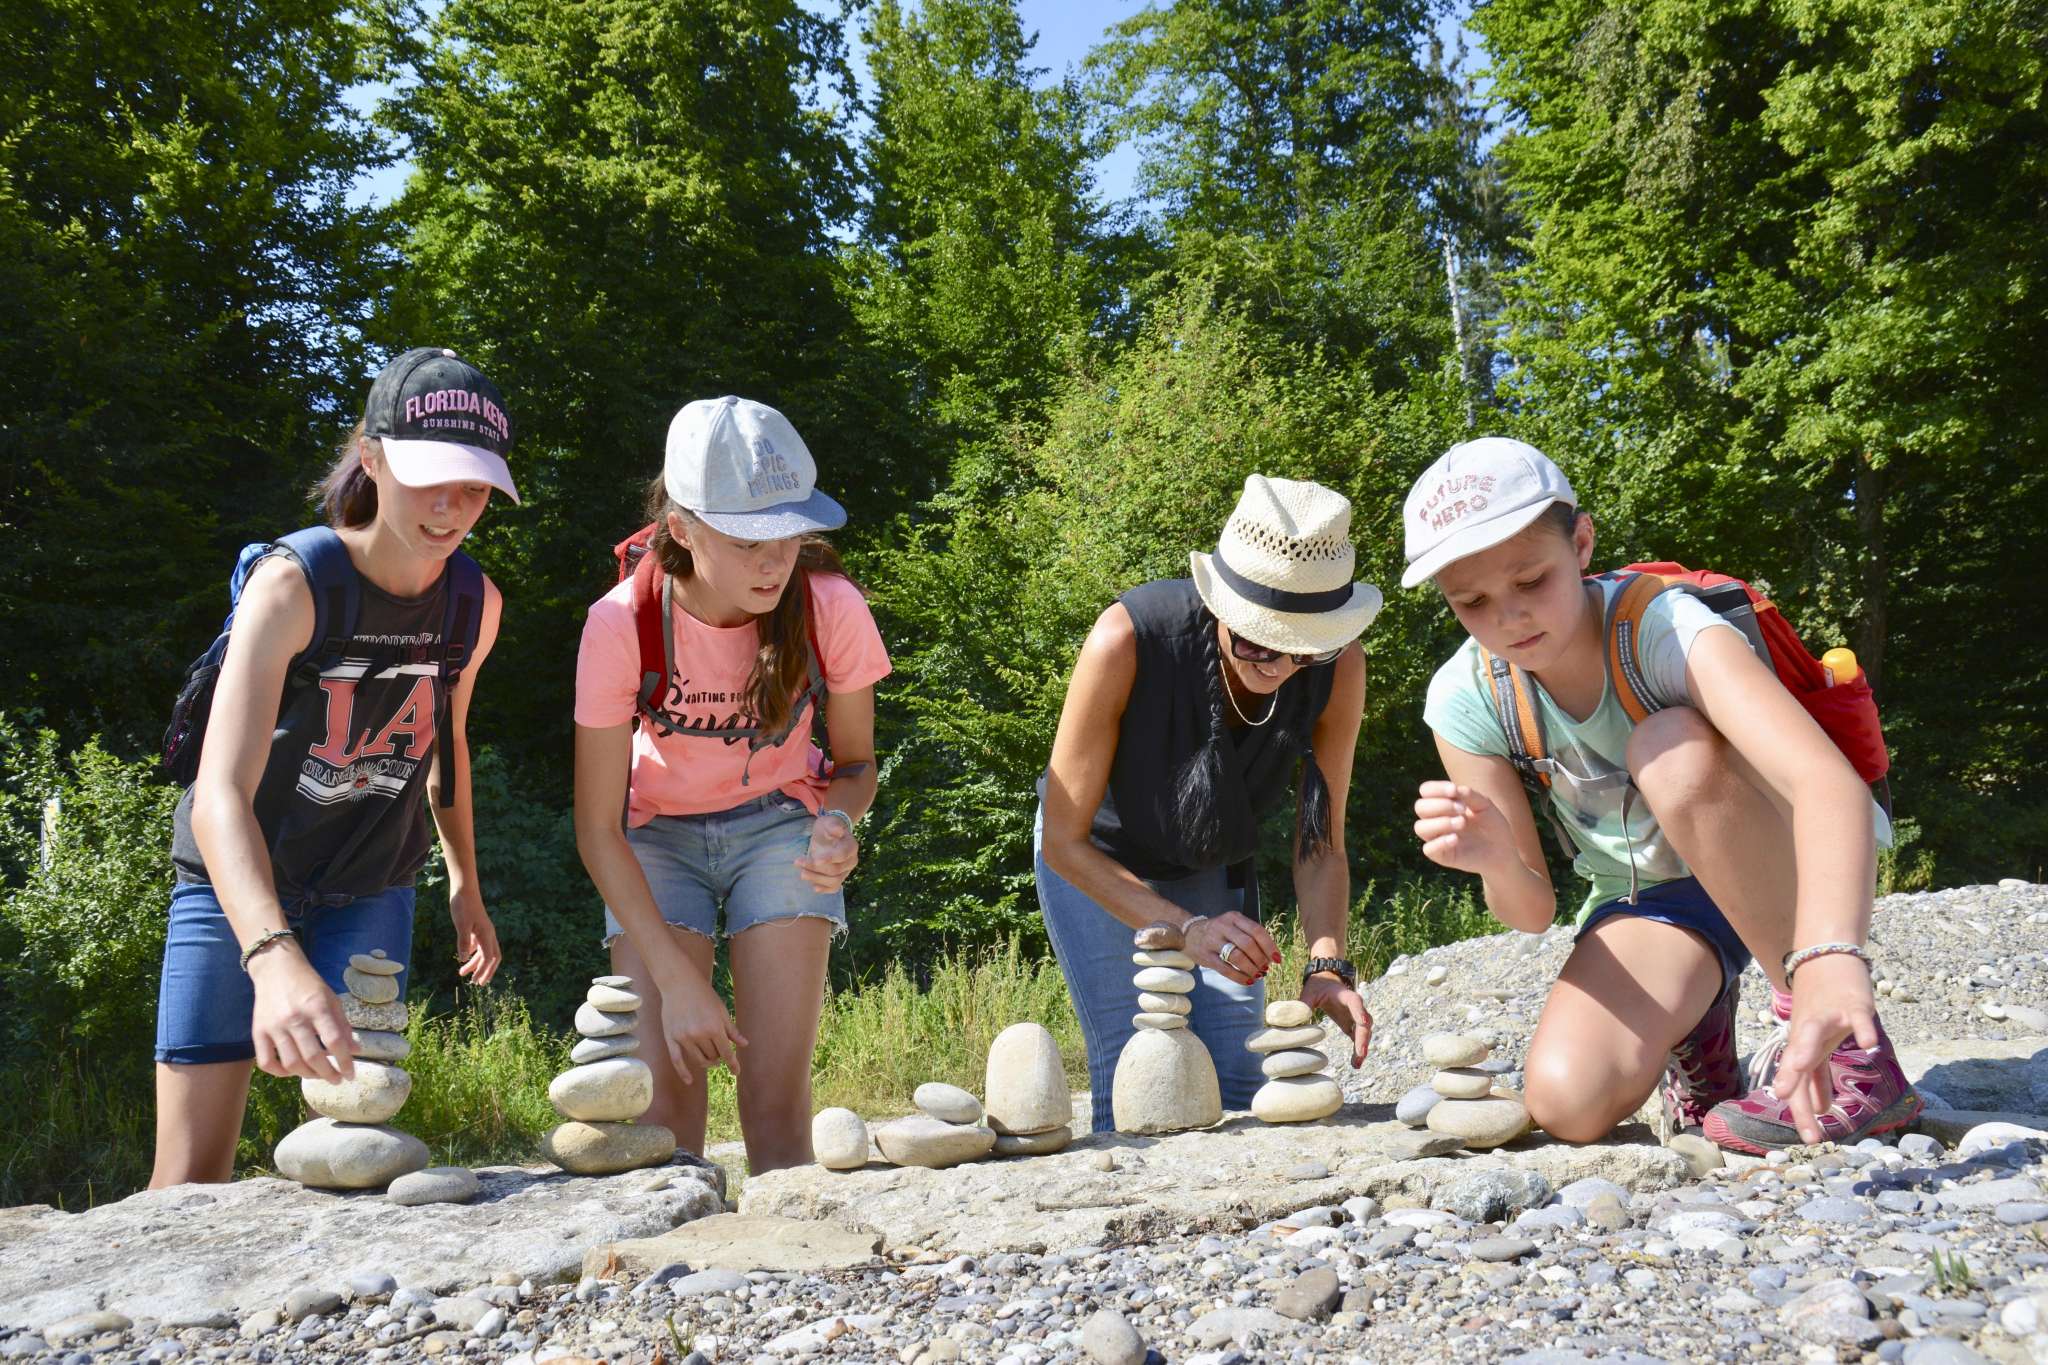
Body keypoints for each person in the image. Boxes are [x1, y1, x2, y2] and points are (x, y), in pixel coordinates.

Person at [1405, 436, 1918, 1152]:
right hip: (1660, 896)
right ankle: (1700, 1026)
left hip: (1781, 854)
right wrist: (1494, 859)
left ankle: (1858, 1062)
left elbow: (1823, 782)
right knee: (1567, 1104)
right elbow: (1532, 910)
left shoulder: (1664, 627)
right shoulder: (1466, 697)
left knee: (1667, 749)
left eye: (1532, 580)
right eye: (1472, 601)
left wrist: (1831, 957)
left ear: (1581, 543)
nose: (1509, 617)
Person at [151, 347, 513, 1187]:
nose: (452, 507)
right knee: (189, 1177)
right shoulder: (293, 584)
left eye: (474, 486)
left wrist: (465, 882)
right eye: (430, 479)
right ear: (373, 459)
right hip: (235, 881)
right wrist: (271, 954)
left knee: (357, 1148)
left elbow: (447, 744)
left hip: (371, 883)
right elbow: (218, 794)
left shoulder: (475, 603)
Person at [573, 396, 888, 1173]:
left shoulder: (831, 606)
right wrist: (677, 981)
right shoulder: (620, 623)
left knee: (776, 1105)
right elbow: (597, 828)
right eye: (749, 540)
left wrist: (839, 823)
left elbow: (856, 766)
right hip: (654, 837)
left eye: (789, 534)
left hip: (782, 824)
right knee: (666, 1114)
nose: (776, 561)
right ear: (682, 528)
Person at [1037, 475, 1381, 1131]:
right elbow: (1063, 839)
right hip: (1098, 857)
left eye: (1305, 648)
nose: (1279, 667)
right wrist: (1185, 927)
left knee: (1242, 1078)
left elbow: (1321, 842)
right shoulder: (1129, 639)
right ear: (1220, 604)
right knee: (1138, 1067)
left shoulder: (1340, 668)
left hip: (1210, 855)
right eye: (1257, 641)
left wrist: (1327, 963)